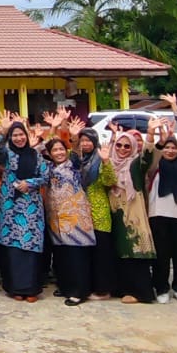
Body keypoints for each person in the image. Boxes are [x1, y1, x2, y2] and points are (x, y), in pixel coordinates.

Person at [0, 121, 49, 301]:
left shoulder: (36, 155)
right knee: (13, 248)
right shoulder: (8, 154)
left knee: (30, 246)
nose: (19, 138)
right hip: (10, 208)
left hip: (31, 208)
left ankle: (31, 289)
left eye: (21, 134)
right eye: (14, 135)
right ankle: (15, 289)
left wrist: (29, 183)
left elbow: (45, 176)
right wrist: (4, 130)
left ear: (26, 136)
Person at [107, 130, 158, 304]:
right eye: (119, 145)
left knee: (135, 252)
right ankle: (122, 289)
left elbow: (147, 157)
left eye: (127, 146)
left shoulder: (135, 165)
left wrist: (150, 134)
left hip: (133, 215)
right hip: (115, 214)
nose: (122, 149)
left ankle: (141, 293)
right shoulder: (109, 164)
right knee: (119, 252)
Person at [43, 137, 95, 306]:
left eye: (61, 149)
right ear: (50, 154)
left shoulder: (74, 165)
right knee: (61, 255)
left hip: (75, 217)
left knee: (76, 255)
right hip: (56, 218)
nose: (59, 153)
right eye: (54, 150)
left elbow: (77, 153)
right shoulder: (48, 168)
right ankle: (65, 286)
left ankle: (79, 291)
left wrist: (73, 138)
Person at [146, 130, 177, 304]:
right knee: (161, 255)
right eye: (167, 147)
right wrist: (159, 141)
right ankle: (161, 288)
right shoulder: (155, 168)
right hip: (159, 215)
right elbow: (151, 156)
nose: (170, 151)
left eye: (174, 148)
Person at [75, 128, 118, 300]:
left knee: (101, 255)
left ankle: (103, 290)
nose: (85, 144)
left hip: (99, 212)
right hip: (82, 212)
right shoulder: (80, 161)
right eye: (82, 141)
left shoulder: (100, 159)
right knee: (88, 255)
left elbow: (110, 181)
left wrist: (106, 161)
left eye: (88, 140)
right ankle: (90, 286)